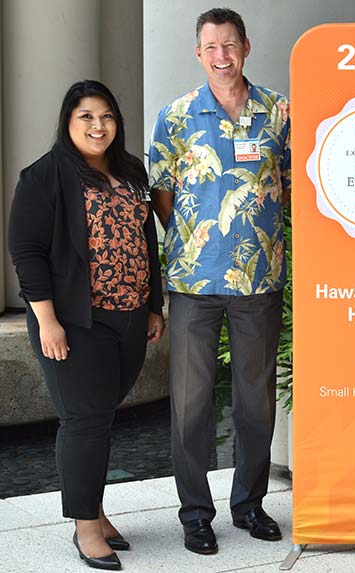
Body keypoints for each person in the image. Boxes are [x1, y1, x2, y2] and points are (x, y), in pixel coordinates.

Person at [148, 7, 290, 555]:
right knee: (191, 403)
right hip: (192, 283)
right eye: (211, 47)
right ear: (198, 53)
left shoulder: (278, 112)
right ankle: (195, 513)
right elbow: (162, 195)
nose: (222, 57)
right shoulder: (177, 116)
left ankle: (250, 504)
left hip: (261, 281)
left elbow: (292, 184)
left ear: (246, 48)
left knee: (255, 401)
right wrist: (196, 241)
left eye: (230, 46)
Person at [8, 80, 165, 571]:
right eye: (86, 117)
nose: (98, 126)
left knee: (101, 416)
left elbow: (146, 240)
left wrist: (154, 304)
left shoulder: (131, 170)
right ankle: (85, 527)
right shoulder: (46, 175)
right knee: (84, 420)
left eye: (107, 116)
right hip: (76, 322)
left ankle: (94, 506)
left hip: (131, 315)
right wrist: (47, 321)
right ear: (68, 123)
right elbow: (26, 252)